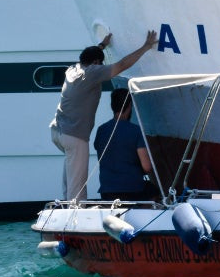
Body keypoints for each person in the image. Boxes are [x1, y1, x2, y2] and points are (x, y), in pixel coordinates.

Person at [50, 30, 158, 201]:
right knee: (77, 185)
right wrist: (146, 47)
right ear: (95, 63)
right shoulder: (92, 72)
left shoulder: (74, 68)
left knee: (70, 178)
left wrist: (102, 45)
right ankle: (75, 215)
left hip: (57, 132)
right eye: (101, 63)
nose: (102, 66)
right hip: (74, 135)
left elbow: (91, 56)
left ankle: (65, 207)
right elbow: (122, 65)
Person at [93, 88, 156, 201]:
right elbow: (147, 167)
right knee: (154, 192)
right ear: (129, 106)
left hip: (107, 192)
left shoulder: (101, 130)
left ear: (112, 106)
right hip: (133, 190)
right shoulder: (135, 131)